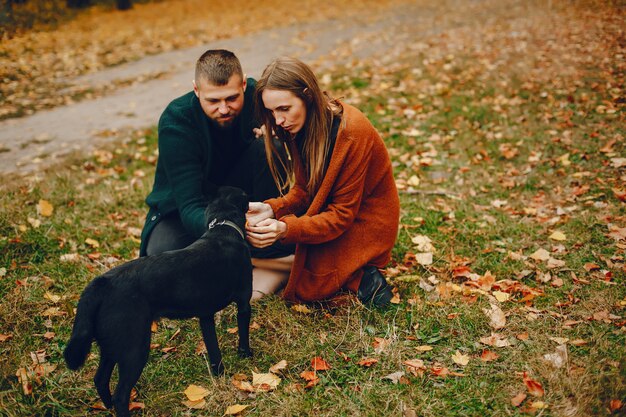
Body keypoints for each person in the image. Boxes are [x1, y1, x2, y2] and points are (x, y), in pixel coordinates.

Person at [246, 57, 400, 307]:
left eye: (284, 109)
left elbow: (341, 215)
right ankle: (313, 267)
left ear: (307, 95)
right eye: (272, 112)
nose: (278, 121)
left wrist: (285, 229)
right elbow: (305, 191)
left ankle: (360, 275)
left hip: (365, 225)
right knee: (254, 249)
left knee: (308, 282)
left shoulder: (351, 132)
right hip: (330, 215)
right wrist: (272, 208)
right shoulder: (298, 127)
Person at [139, 49, 294, 299]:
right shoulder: (177, 122)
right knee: (162, 256)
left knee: (271, 147)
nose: (224, 109)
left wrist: (280, 133)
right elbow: (189, 206)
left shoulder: (260, 98)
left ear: (244, 84)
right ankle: (265, 262)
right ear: (196, 90)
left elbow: (305, 115)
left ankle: (265, 250)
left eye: (232, 98)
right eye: (213, 101)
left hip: (245, 200)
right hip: (186, 208)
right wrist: (234, 231)